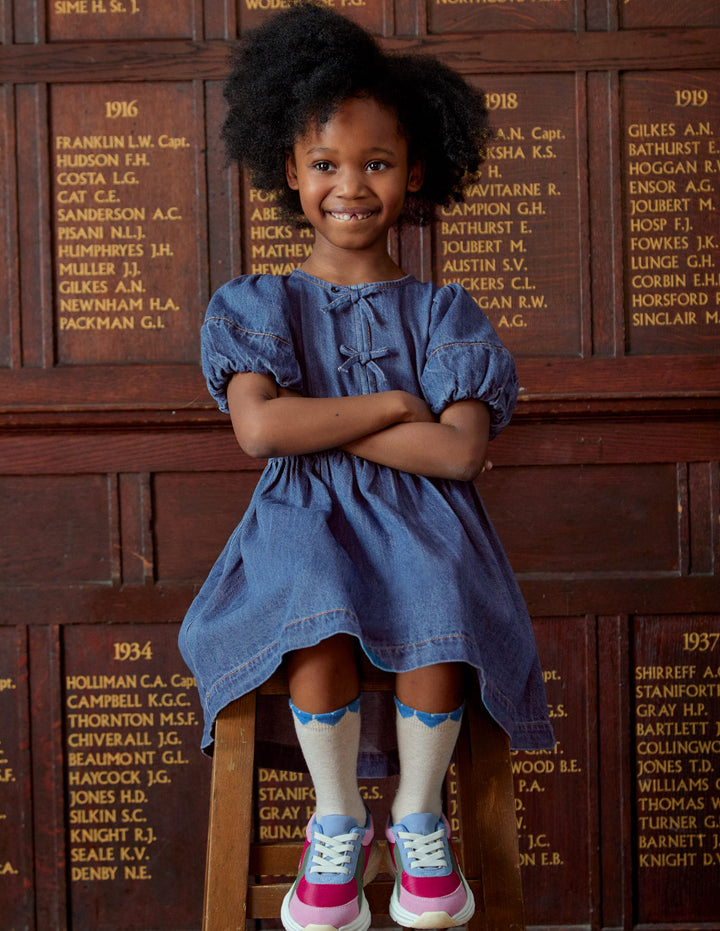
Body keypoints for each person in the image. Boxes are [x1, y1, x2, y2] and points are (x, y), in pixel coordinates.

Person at [180, 4, 554, 930]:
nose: (351, 185)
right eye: (326, 164)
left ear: (415, 172)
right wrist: (393, 405)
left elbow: (459, 453)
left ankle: (419, 819)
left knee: (436, 586)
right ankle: (338, 819)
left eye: (376, 163)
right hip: (299, 522)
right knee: (316, 589)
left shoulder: (444, 313)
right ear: (289, 173)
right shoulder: (256, 302)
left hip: (428, 522)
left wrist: (319, 417)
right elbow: (261, 432)